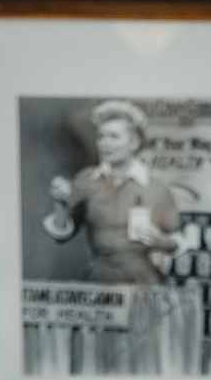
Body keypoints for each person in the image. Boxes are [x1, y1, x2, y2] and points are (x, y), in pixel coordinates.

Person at [42, 99, 181, 286]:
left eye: (114, 136)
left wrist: (160, 241)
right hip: (100, 279)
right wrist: (61, 204)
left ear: (133, 142)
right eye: (101, 137)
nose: (104, 144)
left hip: (143, 282)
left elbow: (176, 242)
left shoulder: (156, 188)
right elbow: (61, 235)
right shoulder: (86, 180)